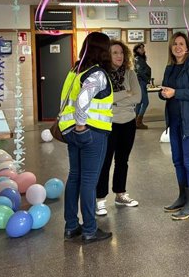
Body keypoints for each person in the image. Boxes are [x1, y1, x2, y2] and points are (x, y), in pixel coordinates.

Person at [58, 32, 113, 243]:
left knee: (75, 177)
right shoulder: (97, 74)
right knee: (89, 181)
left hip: (70, 132)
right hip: (91, 133)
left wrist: (76, 128)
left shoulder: (75, 71)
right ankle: (90, 229)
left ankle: (71, 226)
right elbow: (83, 100)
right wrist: (82, 126)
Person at [159, 32, 189, 220]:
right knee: (178, 160)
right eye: (174, 44)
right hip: (175, 121)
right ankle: (183, 197)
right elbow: (167, 89)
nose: (178, 47)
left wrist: (176, 93)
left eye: (181, 44)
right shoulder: (170, 67)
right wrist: (163, 93)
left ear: (187, 47)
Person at [96, 40, 142, 216]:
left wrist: (115, 99)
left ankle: (120, 194)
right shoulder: (102, 75)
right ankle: (100, 199)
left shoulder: (130, 74)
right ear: (108, 55)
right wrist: (125, 94)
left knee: (123, 160)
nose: (119, 56)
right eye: (115, 53)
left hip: (128, 122)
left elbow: (137, 97)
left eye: (121, 53)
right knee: (105, 161)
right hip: (108, 122)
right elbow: (103, 99)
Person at [133, 43, 151, 129]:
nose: (143, 50)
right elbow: (140, 71)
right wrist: (147, 79)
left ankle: (135, 122)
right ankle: (138, 122)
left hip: (141, 81)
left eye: (143, 48)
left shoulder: (140, 59)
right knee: (145, 102)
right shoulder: (137, 59)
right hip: (141, 82)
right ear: (137, 50)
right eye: (141, 48)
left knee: (139, 103)